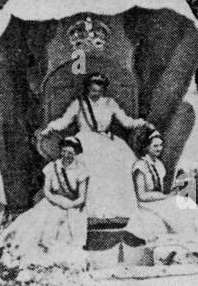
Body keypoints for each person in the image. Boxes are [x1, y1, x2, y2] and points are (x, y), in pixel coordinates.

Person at [38, 74, 144, 222]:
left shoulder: (109, 103)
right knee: (91, 168)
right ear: (88, 87)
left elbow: (126, 121)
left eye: (99, 91)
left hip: (108, 142)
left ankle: (117, 210)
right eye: (93, 90)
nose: (96, 94)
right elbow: (64, 121)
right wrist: (50, 128)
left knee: (121, 166)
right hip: (85, 141)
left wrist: (141, 123)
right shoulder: (79, 103)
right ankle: (92, 212)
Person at [0, 137, 89, 266]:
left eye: (70, 153)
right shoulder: (52, 167)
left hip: (72, 208)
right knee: (35, 226)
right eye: (64, 152)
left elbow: (82, 197)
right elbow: (47, 191)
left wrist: (70, 204)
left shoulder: (81, 170)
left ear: (76, 154)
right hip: (51, 203)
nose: (66, 156)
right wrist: (57, 201)